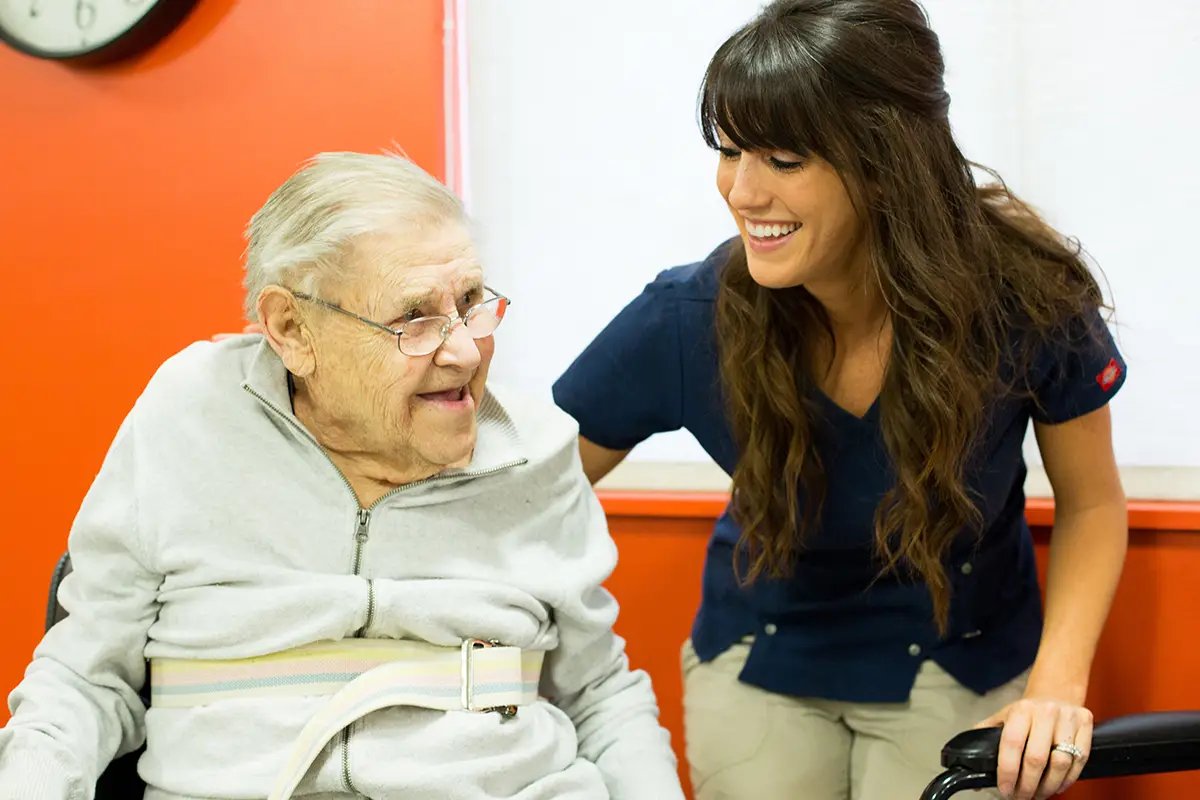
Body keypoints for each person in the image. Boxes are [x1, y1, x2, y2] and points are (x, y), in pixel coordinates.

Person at [551, 2, 1128, 800]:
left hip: (963, 652)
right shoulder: (691, 315)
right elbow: (533, 493)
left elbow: (1093, 504)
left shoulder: (1027, 299)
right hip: (765, 651)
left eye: (784, 159)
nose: (741, 191)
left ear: (887, 161)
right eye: (729, 151)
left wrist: (1056, 688)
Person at [0, 152, 686, 800]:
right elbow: (82, 681)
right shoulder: (190, 414)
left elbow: (600, 694)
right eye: (414, 317)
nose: (465, 350)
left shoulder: (536, 446)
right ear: (292, 330)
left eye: (471, 301)